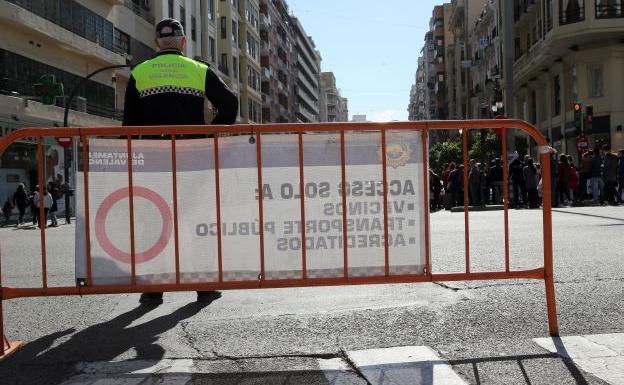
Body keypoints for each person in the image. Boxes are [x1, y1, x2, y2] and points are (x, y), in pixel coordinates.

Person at [123, 18, 238, 306]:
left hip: (154, 160)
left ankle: (153, 288)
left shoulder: (140, 72)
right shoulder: (199, 70)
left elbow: (129, 125)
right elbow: (230, 103)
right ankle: (203, 285)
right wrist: (211, 135)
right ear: (184, 42)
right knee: (196, 220)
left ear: (156, 44)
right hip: (193, 158)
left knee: (153, 219)